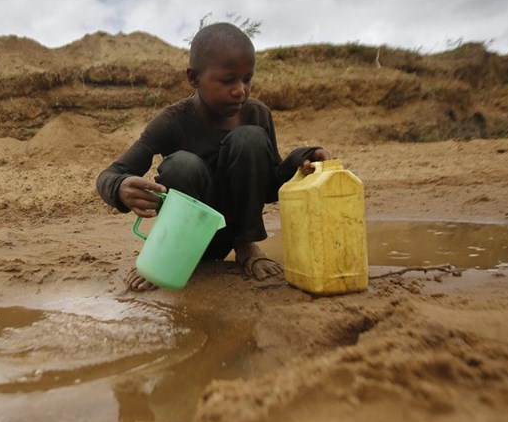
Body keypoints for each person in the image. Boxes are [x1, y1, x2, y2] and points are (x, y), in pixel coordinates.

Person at [96, 22, 332, 291]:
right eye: (228, 80)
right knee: (182, 165)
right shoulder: (172, 121)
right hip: (188, 232)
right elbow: (110, 175)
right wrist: (120, 187)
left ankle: (247, 247)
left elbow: (268, 188)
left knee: (250, 138)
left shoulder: (257, 114)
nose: (240, 90)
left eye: (247, 79)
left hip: (235, 231)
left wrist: (302, 159)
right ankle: (172, 254)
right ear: (194, 79)